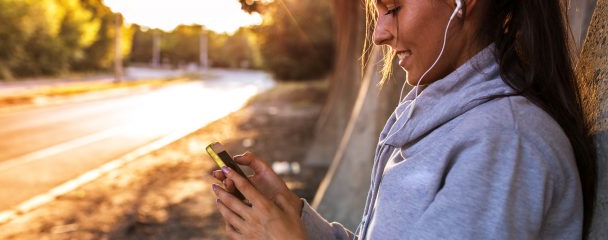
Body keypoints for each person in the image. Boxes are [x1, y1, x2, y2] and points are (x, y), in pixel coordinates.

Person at [210, 0, 596, 239]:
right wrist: (290, 215)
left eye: (392, 8)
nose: (379, 34)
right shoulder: (440, 115)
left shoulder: (505, 144)